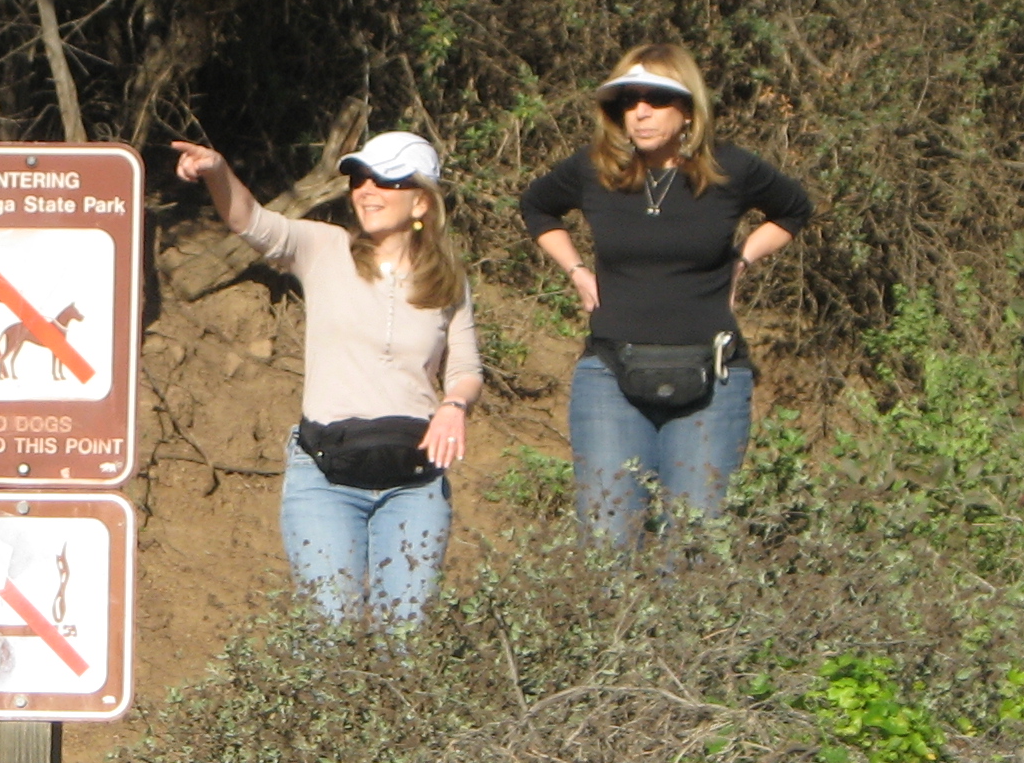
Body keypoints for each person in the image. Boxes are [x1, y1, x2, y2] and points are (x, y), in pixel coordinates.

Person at [171, 128, 484, 625]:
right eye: (360, 179)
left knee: (406, 637)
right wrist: (217, 171)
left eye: (386, 180)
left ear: (422, 202)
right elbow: (250, 220)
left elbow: (465, 367)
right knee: (329, 632)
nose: (367, 190)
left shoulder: (448, 279)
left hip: (414, 481)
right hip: (324, 475)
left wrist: (454, 406)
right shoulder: (324, 246)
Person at [519, 42, 813, 544]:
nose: (640, 112)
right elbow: (536, 206)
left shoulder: (732, 169)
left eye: (656, 99)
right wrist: (576, 269)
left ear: (688, 109)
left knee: (695, 542)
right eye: (627, 101)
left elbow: (794, 208)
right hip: (610, 373)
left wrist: (743, 259)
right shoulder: (593, 169)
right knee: (607, 539)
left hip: (712, 375)